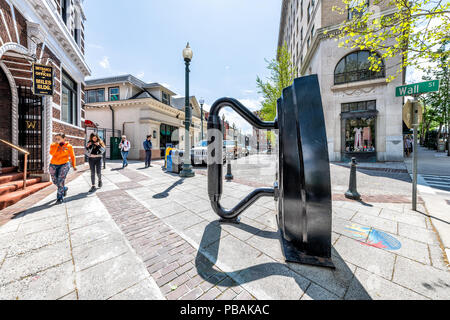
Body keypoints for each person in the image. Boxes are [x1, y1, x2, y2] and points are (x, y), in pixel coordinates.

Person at [49, 133, 77, 204]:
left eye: (59, 139)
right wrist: (57, 145)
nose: (57, 140)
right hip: (53, 164)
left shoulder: (69, 146)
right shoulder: (53, 145)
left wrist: (74, 165)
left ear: (64, 139)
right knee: (55, 181)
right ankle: (64, 188)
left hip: (64, 164)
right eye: (56, 139)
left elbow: (72, 156)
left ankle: (59, 197)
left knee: (61, 180)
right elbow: (52, 153)